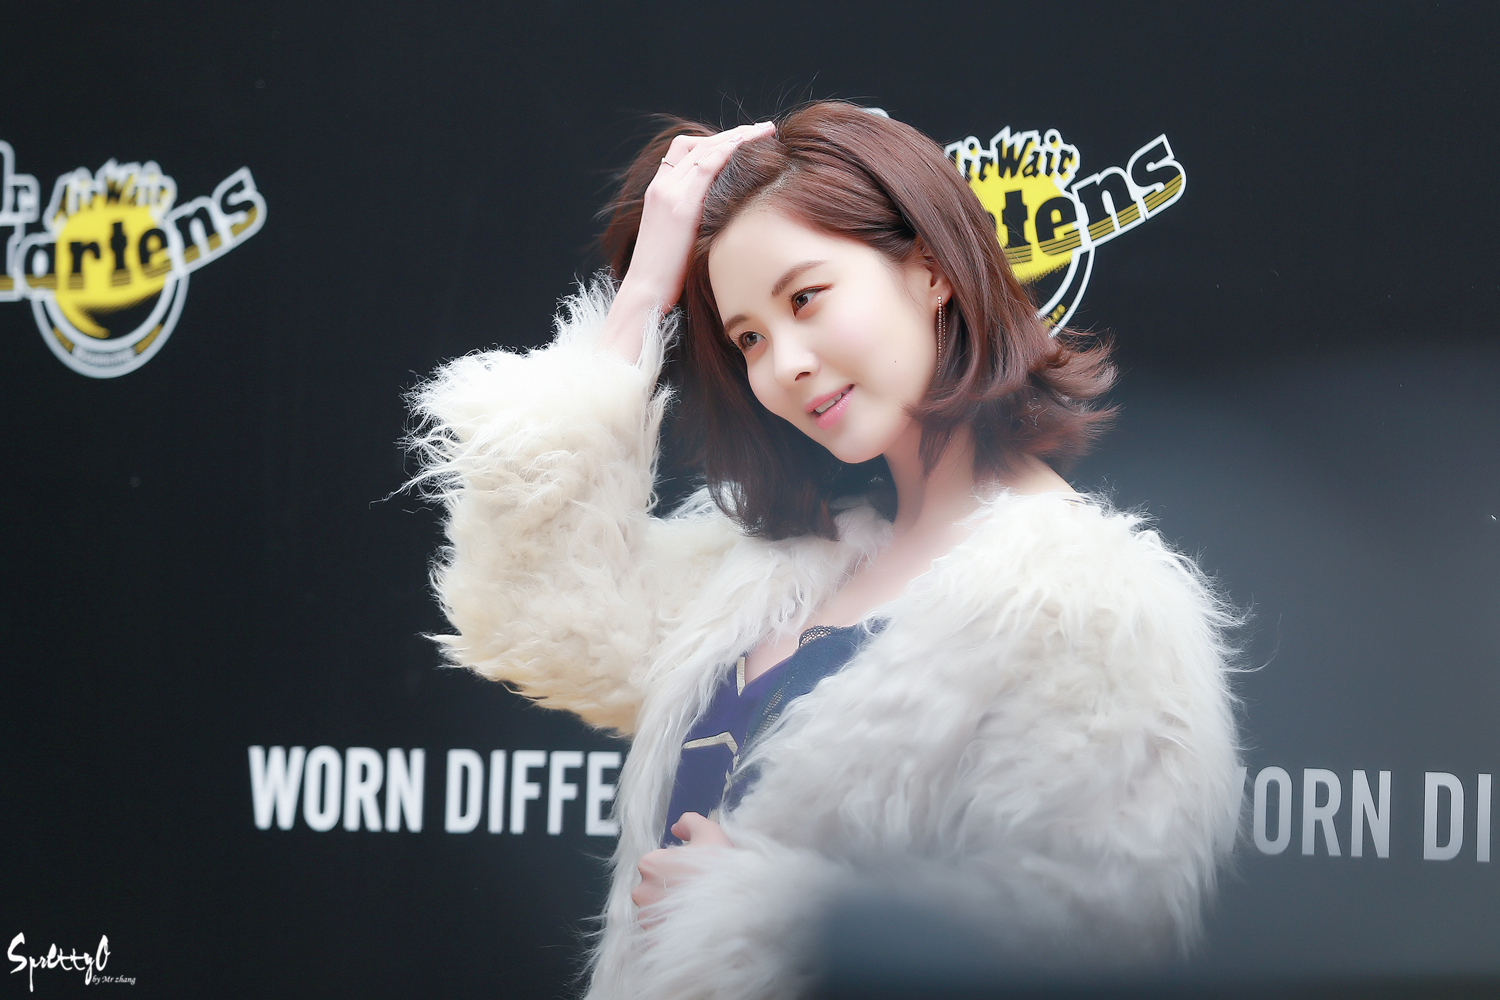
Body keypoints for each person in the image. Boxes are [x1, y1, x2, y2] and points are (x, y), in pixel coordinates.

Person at [409, 103, 1240, 999]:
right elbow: (544, 616)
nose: (784, 365)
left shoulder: (1090, 604)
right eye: (749, 338)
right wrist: (644, 293)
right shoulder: (785, 563)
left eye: (806, 298)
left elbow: (1091, 937)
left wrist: (776, 920)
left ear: (931, 270)